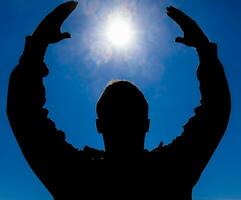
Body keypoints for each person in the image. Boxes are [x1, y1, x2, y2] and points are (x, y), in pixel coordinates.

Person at [7, 1, 231, 199]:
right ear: (146, 124)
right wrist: (204, 49)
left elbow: (24, 113)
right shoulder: (173, 170)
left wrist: (36, 47)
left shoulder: (76, 177)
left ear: (99, 125)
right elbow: (216, 109)